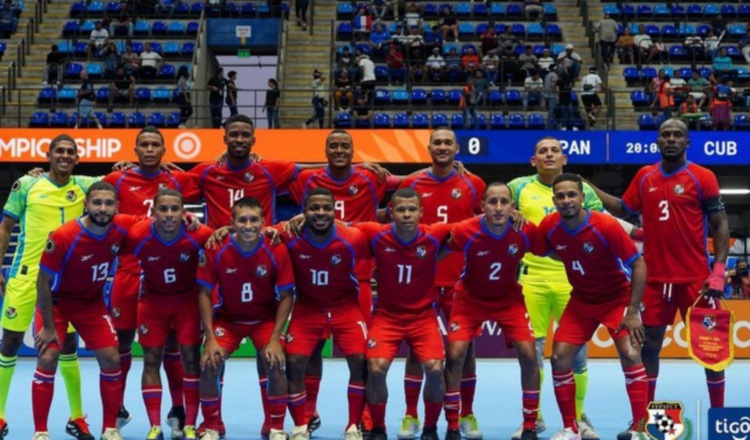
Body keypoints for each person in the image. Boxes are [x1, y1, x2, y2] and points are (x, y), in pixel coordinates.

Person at [585, 118, 730, 438]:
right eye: (665, 135)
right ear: (657, 141)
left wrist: (718, 271)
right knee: (647, 348)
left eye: (678, 135)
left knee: (712, 351)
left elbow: (720, 224)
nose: (671, 139)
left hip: (696, 281)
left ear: (688, 142)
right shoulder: (645, 176)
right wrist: (588, 187)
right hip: (653, 280)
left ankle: (720, 420)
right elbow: (623, 208)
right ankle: (644, 423)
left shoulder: (702, 176)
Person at [283, 130, 391, 433]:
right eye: (334, 145)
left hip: (357, 285)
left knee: (363, 358)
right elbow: (266, 176)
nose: (340, 150)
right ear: (325, 150)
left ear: (354, 150)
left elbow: (409, 183)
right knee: (311, 351)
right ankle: (309, 413)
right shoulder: (308, 180)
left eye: (346, 145)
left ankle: (364, 421)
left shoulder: (370, 179)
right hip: (315, 289)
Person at [103, 127, 199, 438]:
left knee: (170, 347)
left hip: (164, 276)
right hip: (128, 276)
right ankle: (116, 410)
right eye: (143, 144)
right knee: (121, 346)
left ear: (164, 150)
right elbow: (94, 204)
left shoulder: (178, 180)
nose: (148, 149)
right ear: (134, 149)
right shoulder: (116, 179)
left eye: (154, 144)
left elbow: (214, 185)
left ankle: (178, 409)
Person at [0, 134, 98, 440]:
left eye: (71, 152)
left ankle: (76, 418)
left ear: (77, 158)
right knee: (9, 344)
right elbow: (5, 227)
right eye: (60, 151)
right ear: (49, 154)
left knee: (68, 347)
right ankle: (0, 416)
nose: (65, 156)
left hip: (63, 282)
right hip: (25, 277)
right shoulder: (26, 185)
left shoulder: (84, 185)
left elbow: (123, 178)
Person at [507, 137, 604, 440]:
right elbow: (492, 209)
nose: (549, 154)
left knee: (576, 357)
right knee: (531, 355)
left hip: (574, 281)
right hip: (531, 279)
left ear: (565, 159)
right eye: (542, 152)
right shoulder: (517, 187)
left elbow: (600, 223)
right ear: (533, 161)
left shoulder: (582, 189)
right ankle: (532, 418)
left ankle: (577, 419)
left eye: (554, 151)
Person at [539, 173, 648, 440]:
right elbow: (545, 248)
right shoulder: (549, 226)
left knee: (631, 355)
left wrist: (633, 311)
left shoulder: (606, 225)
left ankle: (641, 429)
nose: (566, 200)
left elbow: (639, 264)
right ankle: (570, 429)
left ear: (583, 197)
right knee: (559, 359)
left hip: (617, 299)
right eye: (561, 196)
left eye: (571, 195)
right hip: (582, 301)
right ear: (554, 200)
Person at [397, 128, 486, 440]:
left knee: (466, 349)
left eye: (448, 142)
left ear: (457, 148)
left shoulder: (473, 184)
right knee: (417, 350)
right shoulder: (412, 183)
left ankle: (466, 413)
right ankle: (411, 415)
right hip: (422, 280)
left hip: (462, 280)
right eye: (438, 142)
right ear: (429, 147)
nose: (443, 147)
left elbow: (484, 226)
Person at [344, 189, 451, 440]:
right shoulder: (375, 233)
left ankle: (430, 428)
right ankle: (378, 428)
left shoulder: (435, 234)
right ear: (391, 212)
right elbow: (338, 226)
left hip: (423, 317)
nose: (406, 214)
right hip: (387, 317)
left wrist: (511, 215)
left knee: (435, 368)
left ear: (421, 213)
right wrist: (296, 220)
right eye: (401, 210)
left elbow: (473, 225)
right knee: (376, 367)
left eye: (412, 209)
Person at [443, 182, 546, 440]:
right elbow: (439, 247)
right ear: (483, 207)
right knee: (455, 355)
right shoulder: (465, 230)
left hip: (509, 301)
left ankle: (530, 424)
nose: (499, 208)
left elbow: (554, 249)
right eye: (493, 202)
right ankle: (453, 423)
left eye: (504, 202)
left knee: (529, 355)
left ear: (513, 207)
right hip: (469, 300)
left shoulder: (525, 231)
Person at [33, 182, 134, 440]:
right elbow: (42, 282)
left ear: (116, 207)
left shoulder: (122, 226)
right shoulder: (64, 236)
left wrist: (188, 217)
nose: (102, 208)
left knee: (112, 358)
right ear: (86, 205)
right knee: (47, 358)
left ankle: (109, 429)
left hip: (91, 304)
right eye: (97, 203)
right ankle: (41, 432)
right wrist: (48, 326)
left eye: (108, 203)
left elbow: (155, 221)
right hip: (56, 303)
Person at [197, 197, 294, 440]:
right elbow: (204, 293)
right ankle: (211, 426)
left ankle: (276, 426)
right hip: (228, 320)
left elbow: (286, 295)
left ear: (263, 221)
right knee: (209, 363)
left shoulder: (276, 248)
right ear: (231, 222)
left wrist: (274, 338)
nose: (248, 225)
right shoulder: (216, 247)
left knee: (275, 362)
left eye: (253, 220)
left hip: (264, 319)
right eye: (242, 220)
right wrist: (209, 337)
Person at [277, 188, 371, 440]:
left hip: (345, 308)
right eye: (314, 208)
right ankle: (300, 425)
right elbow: (253, 232)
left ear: (335, 211)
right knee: (295, 363)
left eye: (326, 208)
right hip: (308, 308)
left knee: (361, 361)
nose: (320, 213)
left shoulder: (353, 238)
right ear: (303, 211)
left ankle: (354, 425)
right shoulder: (289, 235)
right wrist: (224, 231)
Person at [122, 189, 213, 440]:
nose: (170, 214)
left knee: (191, 360)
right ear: (154, 212)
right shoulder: (137, 236)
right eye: (164, 209)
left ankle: (191, 424)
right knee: (151, 361)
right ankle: (155, 426)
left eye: (175, 209)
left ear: (184, 212)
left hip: (187, 304)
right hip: (152, 304)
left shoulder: (201, 235)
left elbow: (225, 244)